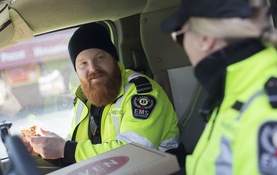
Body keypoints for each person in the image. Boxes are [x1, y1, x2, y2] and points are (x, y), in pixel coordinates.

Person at [161, 0, 277, 175]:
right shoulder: (236, 95)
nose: (182, 47)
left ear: (205, 38)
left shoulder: (267, 114)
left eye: (179, 37)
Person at [23, 23, 180, 167]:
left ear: (114, 61)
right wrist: (45, 147)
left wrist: (66, 149)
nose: (93, 68)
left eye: (100, 57)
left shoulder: (142, 93)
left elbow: (136, 152)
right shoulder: (84, 99)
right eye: (83, 63)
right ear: (77, 71)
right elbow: (82, 149)